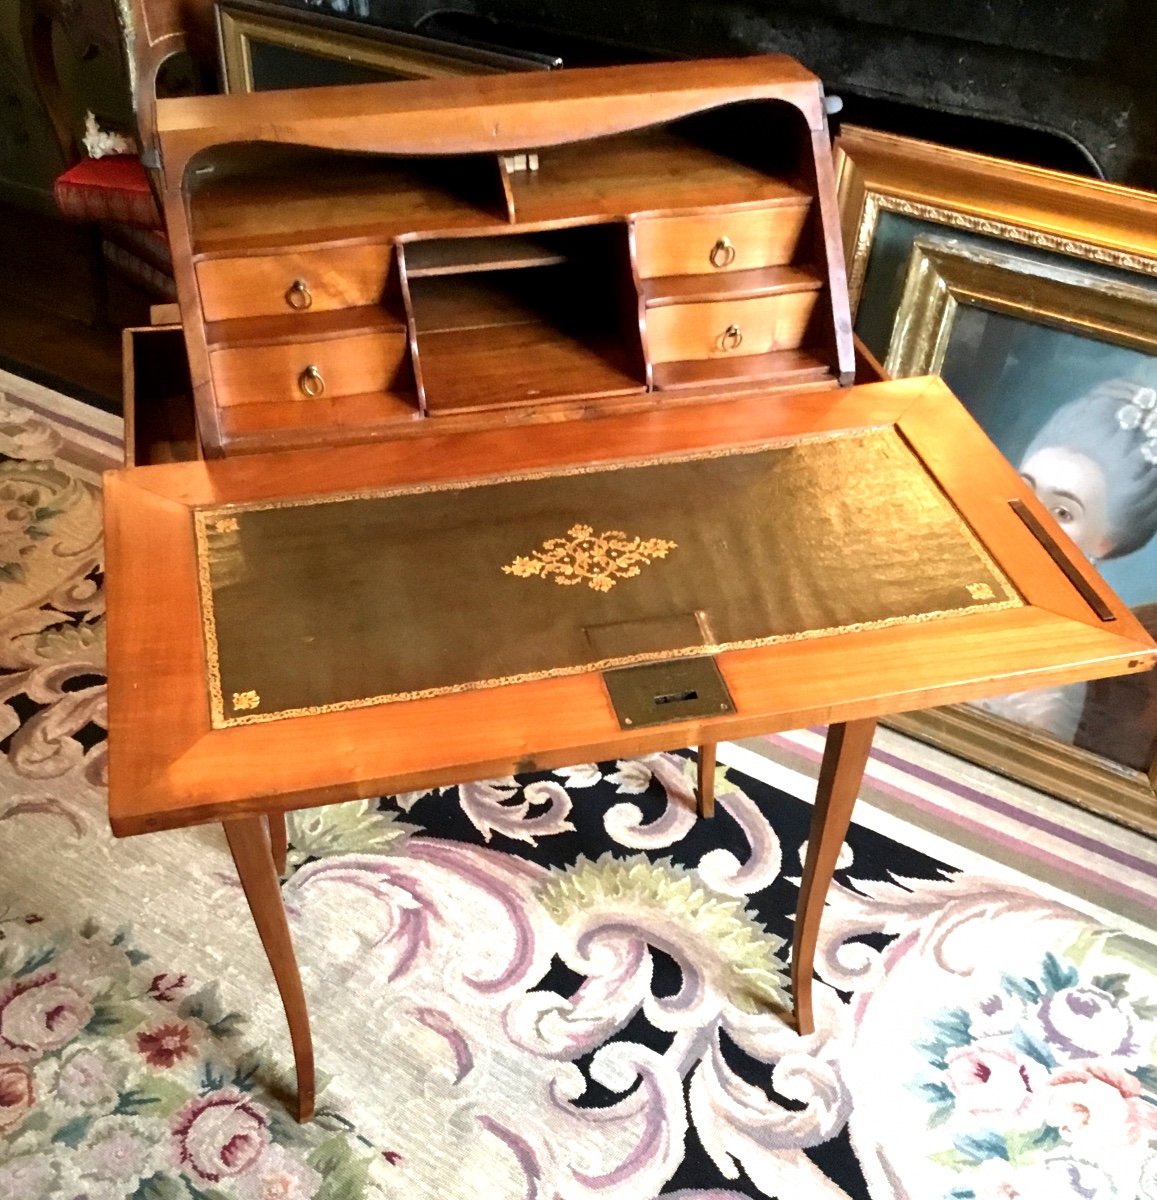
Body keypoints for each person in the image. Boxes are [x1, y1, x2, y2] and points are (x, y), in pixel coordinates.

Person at [979, 375, 1157, 742]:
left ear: (1104, 542)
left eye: (1062, 513)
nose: (1029, 518)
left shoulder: (1054, 680)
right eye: (1024, 490)